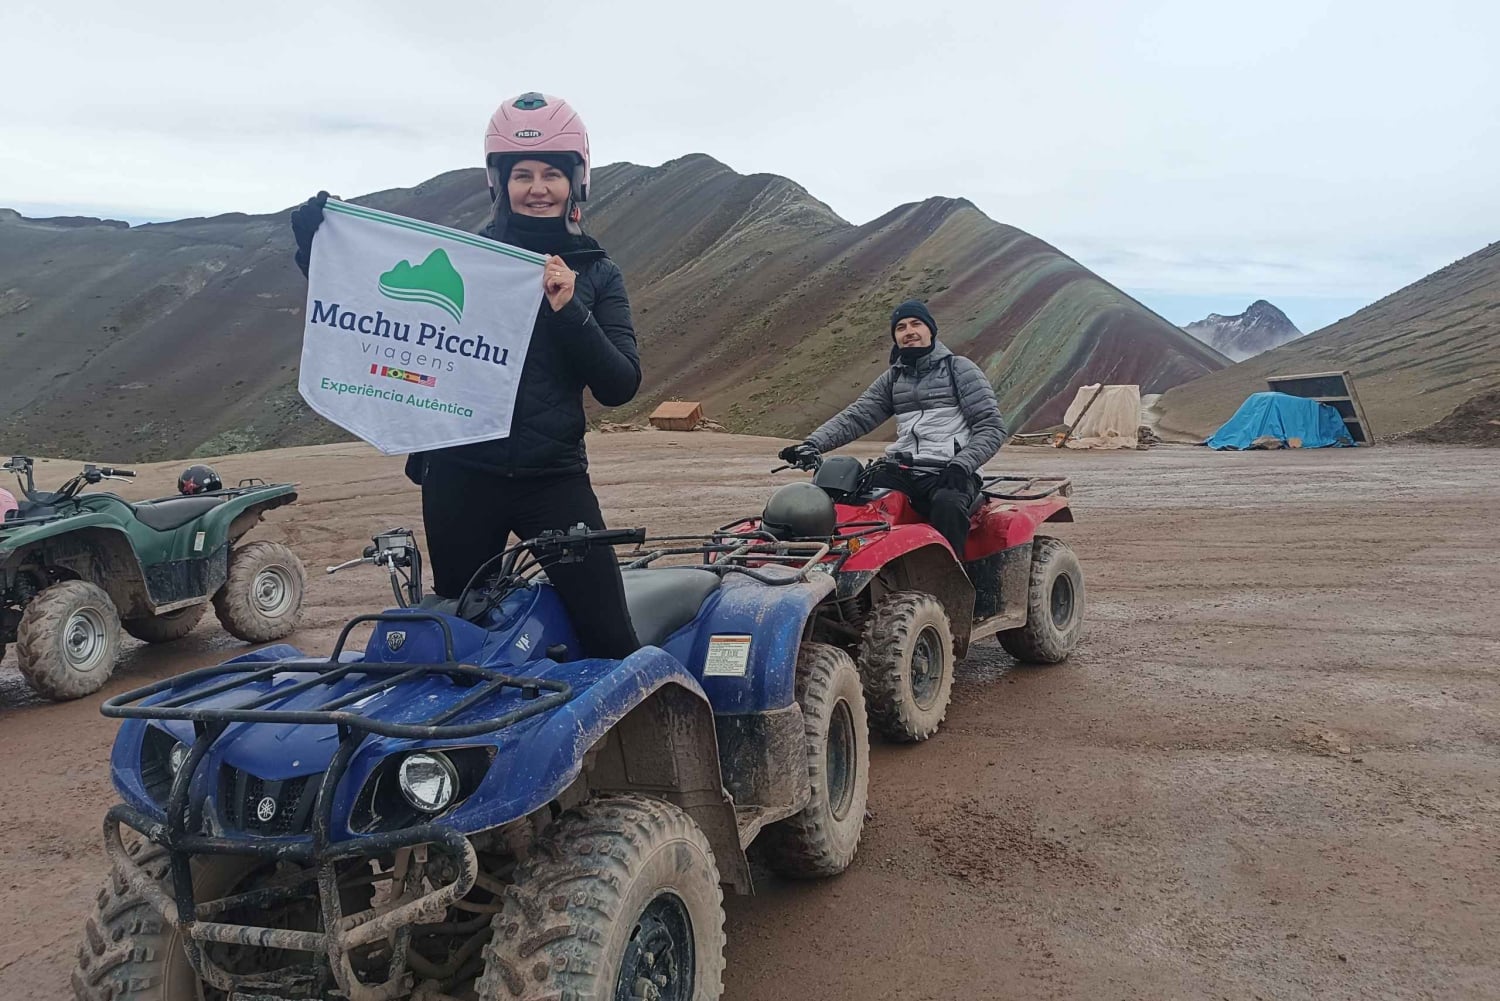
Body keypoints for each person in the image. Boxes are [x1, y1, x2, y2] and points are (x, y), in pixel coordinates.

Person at [289, 92, 641, 658]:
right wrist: (319, 250)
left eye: (552, 173)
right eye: (521, 173)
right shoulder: (466, 258)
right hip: (459, 476)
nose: (537, 187)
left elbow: (620, 384)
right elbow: (382, 316)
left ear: (576, 182)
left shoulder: (597, 272)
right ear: (498, 183)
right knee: (459, 638)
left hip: (553, 481)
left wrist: (569, 309)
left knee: (609, 637)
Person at [779, 300, 1007, 559]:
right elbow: (857, 416)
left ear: (930, 330)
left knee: (948, 506)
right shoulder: (893, 378)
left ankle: (952, 584)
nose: (909, 331)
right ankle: (839, 566)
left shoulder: (959, 369)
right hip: (902, 470)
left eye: (916, 324)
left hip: (948, 470)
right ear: (895, 337)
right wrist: (812, 444)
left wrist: (962, 464)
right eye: (901, 327)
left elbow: (991, 427)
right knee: (847, 500)